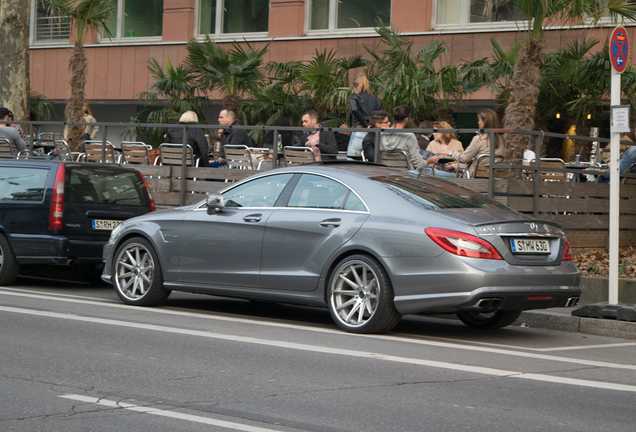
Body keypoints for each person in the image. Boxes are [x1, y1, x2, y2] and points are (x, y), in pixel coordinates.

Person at [363, 107, 455, 177]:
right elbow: (419, 165)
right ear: (406, 119)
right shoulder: (408, 136)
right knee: (452, 176)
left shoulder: (382, 135)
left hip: (389, 174)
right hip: (410, 175)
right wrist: (430, 160)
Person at [448, 108, 505, 178]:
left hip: (476, 177)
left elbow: (464, 158)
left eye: (479, 120)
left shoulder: (479, 138)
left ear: (485, 122)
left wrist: (451, 153)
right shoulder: (502, 139)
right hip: (495, 177)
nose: (478, 123)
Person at [347, 74, 382, 158]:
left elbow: (354, 109)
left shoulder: (354, 97)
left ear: (357, 87)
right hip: (374, 134)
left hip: (359, 131)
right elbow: (381, 115)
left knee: (351, 159)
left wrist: (365, 124)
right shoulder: (376, 100)